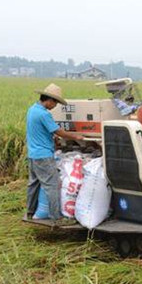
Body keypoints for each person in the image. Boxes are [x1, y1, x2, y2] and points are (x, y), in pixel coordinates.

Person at [25, 83, 83, 226]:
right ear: (49, 100)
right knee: (52, 185)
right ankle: (57, 217)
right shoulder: (44, 114)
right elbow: (58, 131)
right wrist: (76, 137)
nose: (55, 106)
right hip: (44, 156)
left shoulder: (32, 110)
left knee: (33, 184)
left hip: (32, 154)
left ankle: (30, 212)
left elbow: (41, 131)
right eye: (55, 102)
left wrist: (52, 139)